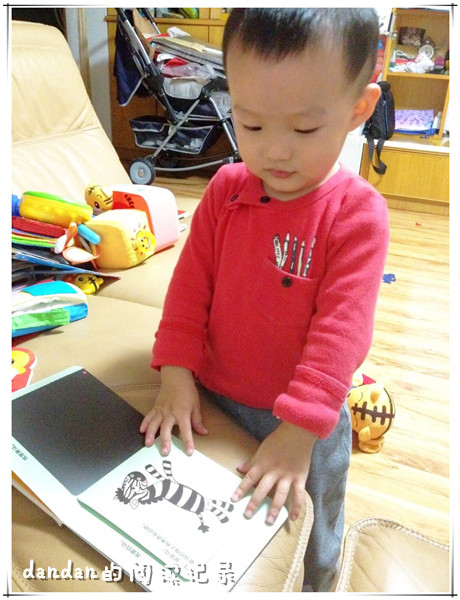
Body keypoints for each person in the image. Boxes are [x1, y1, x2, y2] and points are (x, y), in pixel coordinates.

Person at [141, 8, 389, 592]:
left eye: (304, 130)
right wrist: (175, 374)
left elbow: (340, 335)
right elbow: (189, 289)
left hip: (303, 418)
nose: (274, 151)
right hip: (213, 391)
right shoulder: (227, 190)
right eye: (250, 124)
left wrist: (300, 431)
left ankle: (320, 583)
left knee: (313, 523)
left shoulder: (356, 214)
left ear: (358, 109)